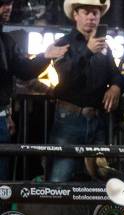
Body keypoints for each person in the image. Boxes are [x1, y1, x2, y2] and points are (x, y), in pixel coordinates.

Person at [50, 0, 122, 182]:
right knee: (60, 178)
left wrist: (116, 86)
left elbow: (116, 74)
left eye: (95, 13)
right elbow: (65, 76)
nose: (91, 17)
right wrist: (87, 52)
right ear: (76, 14)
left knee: (99, 180)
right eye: (86, 12)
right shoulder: (63, 43)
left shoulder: (104, 47)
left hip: (96, 120)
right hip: (69, 118)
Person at [0, 0, 68, 180]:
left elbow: (24, 71)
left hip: (1, 119)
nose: (8, 8)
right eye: (2, 3)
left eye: (9, 3)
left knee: (3, 181)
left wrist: (46, 56)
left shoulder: (5, 41)